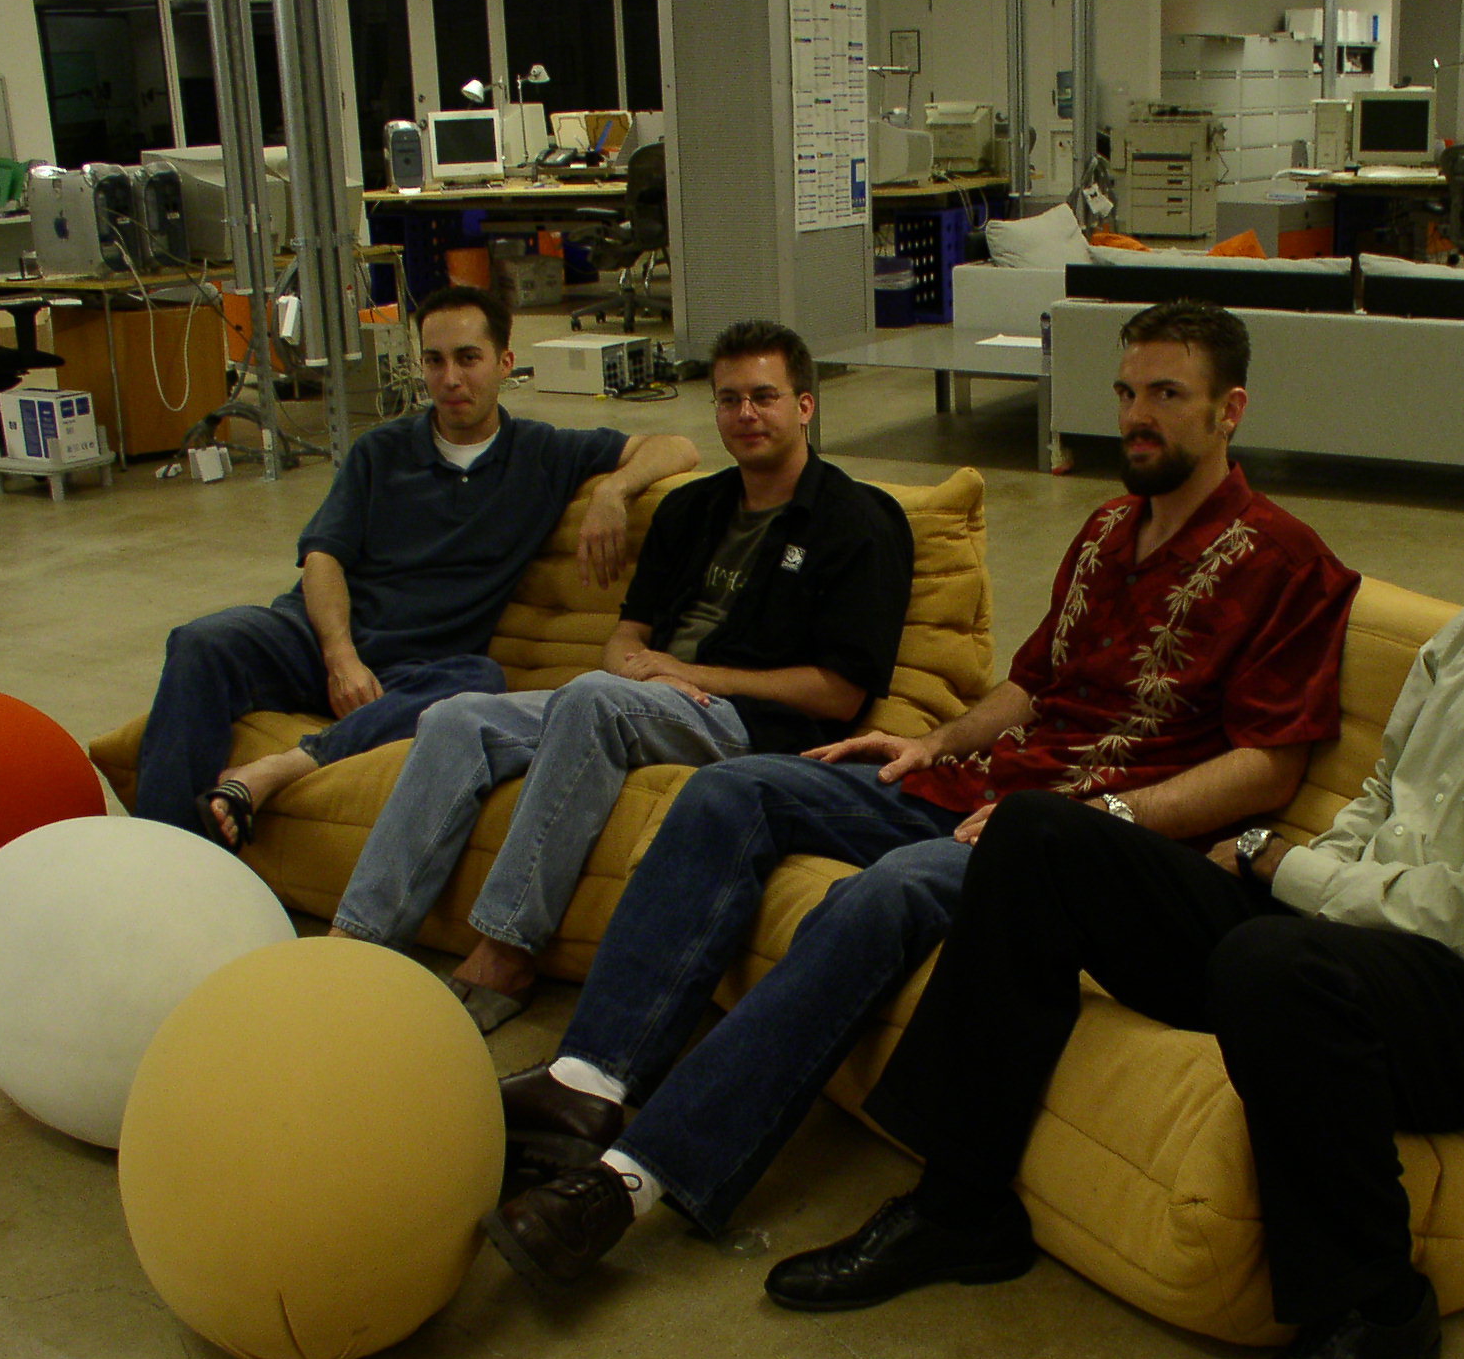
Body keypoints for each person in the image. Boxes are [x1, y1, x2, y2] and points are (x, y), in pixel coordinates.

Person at [763, 391, 1464, 1359]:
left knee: (1277, 960)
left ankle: (1375, 1309)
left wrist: (1281, 864)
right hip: (1338, 932)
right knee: (1041, 834)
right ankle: (962, 1204)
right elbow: (1383, 793)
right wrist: (1298, 873)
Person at [480, 298, 1362, 1291]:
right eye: (1126, 392)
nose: (1135, 417)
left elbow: (1269, 765)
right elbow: (1031, 685)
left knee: (892, 889)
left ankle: (631, 1180)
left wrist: (1088, 821)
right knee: (735, 790)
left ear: (1228, 409)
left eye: (1165, 395)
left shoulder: (1285, 560)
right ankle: (587, 1082)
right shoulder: (1109, 526)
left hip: (1077, 844)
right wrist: (931, 739)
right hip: (979, 785)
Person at [328, 319, 914, 1032]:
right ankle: (357, 943)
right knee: (458, 716)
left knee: (595, 701)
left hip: (751, 724)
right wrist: (636, 671)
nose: (746, 414)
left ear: (804, 406)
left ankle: (507, 947)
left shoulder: (859, 521)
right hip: (645, 699)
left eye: (764, 397)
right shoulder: (692, 509)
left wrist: (688, 676)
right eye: (729, 399)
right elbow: (627, 636)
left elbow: (840, 692)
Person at [130, 284, 699, 848]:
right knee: (202, 642)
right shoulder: (380, 452)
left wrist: (613, 492)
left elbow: (677, 446)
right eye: (434, 361)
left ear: (505, 363)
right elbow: (323, 557)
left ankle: (282, 769)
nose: (450, 379)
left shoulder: (542, 453)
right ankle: (163, 853)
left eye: (468, 359)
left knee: (478, 682)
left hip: (421, 668)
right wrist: (341, 657)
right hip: (317, 640)